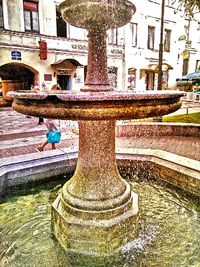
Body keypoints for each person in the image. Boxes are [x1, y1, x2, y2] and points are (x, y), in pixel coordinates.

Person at [36, 84, 62, 152]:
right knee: (54, 133)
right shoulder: (51, 98)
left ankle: (53, 147)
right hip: (50, 119)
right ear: (53, 89)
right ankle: (41, 146)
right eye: (57, 89)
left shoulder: (54, 97)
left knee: (52, 133)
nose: (58, 91)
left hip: (50, 119)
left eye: (59, 90)